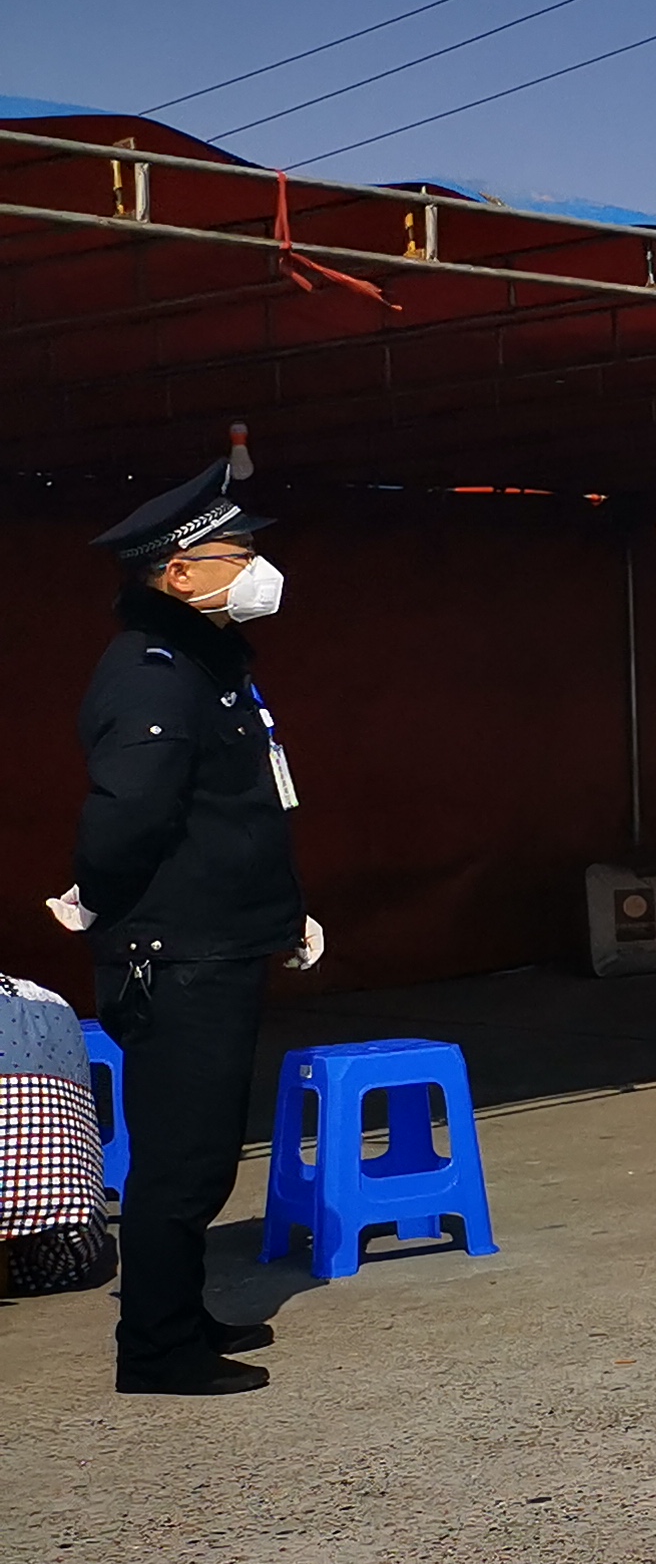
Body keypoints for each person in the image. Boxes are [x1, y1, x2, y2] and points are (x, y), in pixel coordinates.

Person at [65, 453, 323, 1396]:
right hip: (177, 953)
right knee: (182, 1160)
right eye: (237, 554)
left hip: (220, 938)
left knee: (203, 1151)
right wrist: (100, 898)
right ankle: (157, 1349)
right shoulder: (154, 675)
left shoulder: (206, 663)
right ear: (178, 574)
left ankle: (181, 1312)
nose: (257, 568)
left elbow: (235, 813)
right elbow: (126, 816)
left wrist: (282, 912)